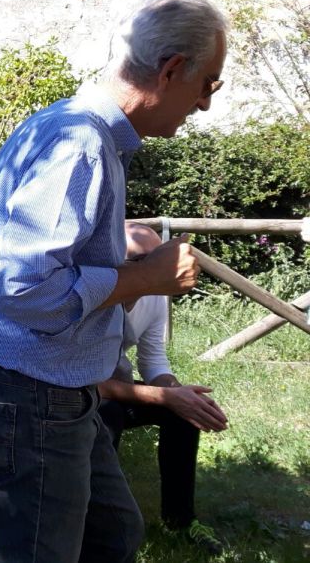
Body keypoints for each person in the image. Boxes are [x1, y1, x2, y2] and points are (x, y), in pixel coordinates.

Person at [0, 0, 227, 562]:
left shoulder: (79, 131)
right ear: (171, 69)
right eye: (208, 84)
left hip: (52, 390)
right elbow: (25, 290)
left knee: (114, 537)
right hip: (33, 396)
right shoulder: (80, 143)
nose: (204, 104)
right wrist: (144, 277)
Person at [97, 222, 228, 552]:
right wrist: (165, 396)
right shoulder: (96, 295)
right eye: (144, 260)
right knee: (108, 413)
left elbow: (153, 360)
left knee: (183, 414)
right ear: (114, 260)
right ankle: (98, 521)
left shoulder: (154, 295)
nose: (160, 267)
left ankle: (180, 521)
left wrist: (178, 393)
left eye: (160, 257)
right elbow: (88, 384)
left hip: (116, 388)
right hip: (75, 395)